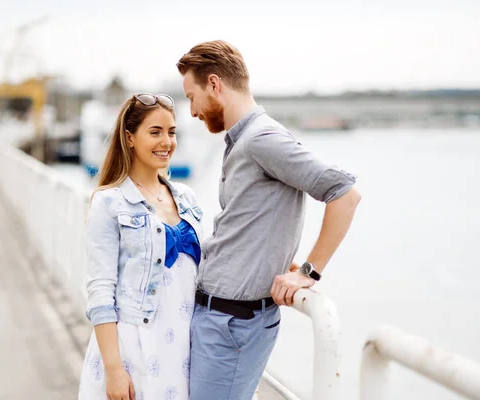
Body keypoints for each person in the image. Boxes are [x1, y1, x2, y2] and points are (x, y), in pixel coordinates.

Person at [176, 40, 362, 399]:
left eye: (191, 97)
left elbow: (345, 193)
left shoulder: (262, 138)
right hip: (219, 320)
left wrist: (308, 272)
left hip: (234, 326)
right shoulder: (243, 139)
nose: (193, 110)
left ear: (215, 84)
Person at [78, 93, 204, 400]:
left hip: (184, 352)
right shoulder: (108, 202)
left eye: (172, 132)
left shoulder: (187, 197)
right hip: (134, 350)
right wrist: (114, 370)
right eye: (155, 132)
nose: (167, 142)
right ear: (130, 137)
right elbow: (100, 291)